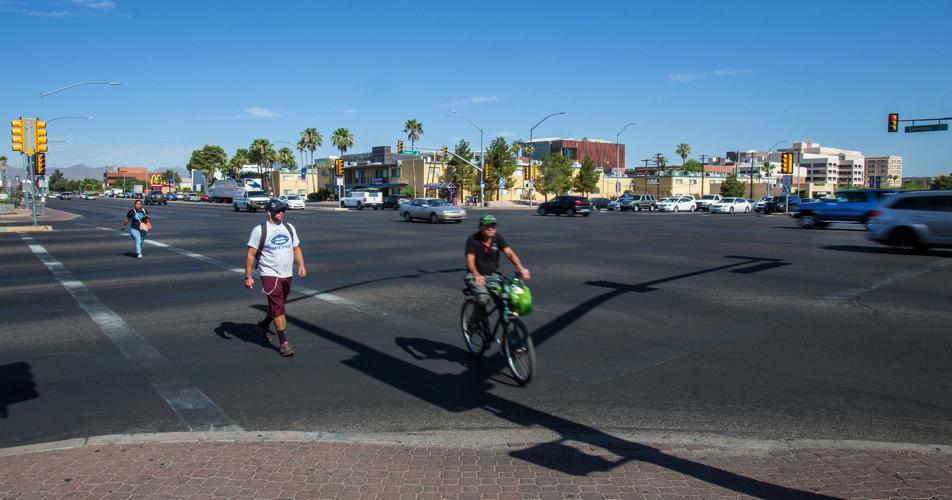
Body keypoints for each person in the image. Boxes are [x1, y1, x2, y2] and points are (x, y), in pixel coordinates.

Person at [244, 199, 306, 357]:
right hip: (269, 273)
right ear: (269, 212)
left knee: (277, 305)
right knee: (278, 307)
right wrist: (248, 276)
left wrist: (301, 265)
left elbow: (296, 248)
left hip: (287, 273)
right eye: (278, 210)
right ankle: (284, 343)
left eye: (283, 210)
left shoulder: (289, 228)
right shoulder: (259, 230)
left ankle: (264, 325)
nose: (281, 213)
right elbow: (251, 254)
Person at [464, 214, 530, 311]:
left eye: (493, 226)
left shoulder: (497, 238)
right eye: (487, 226)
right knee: (483, 299)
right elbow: (470, 261)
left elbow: (509, 254)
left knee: (507, 299)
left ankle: (507, 323)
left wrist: (521, 268)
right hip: (475, 275)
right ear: (481, 227)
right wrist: (477, 275)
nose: (491, 228)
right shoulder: (473, 240)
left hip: (493, 276)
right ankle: (477, 322)